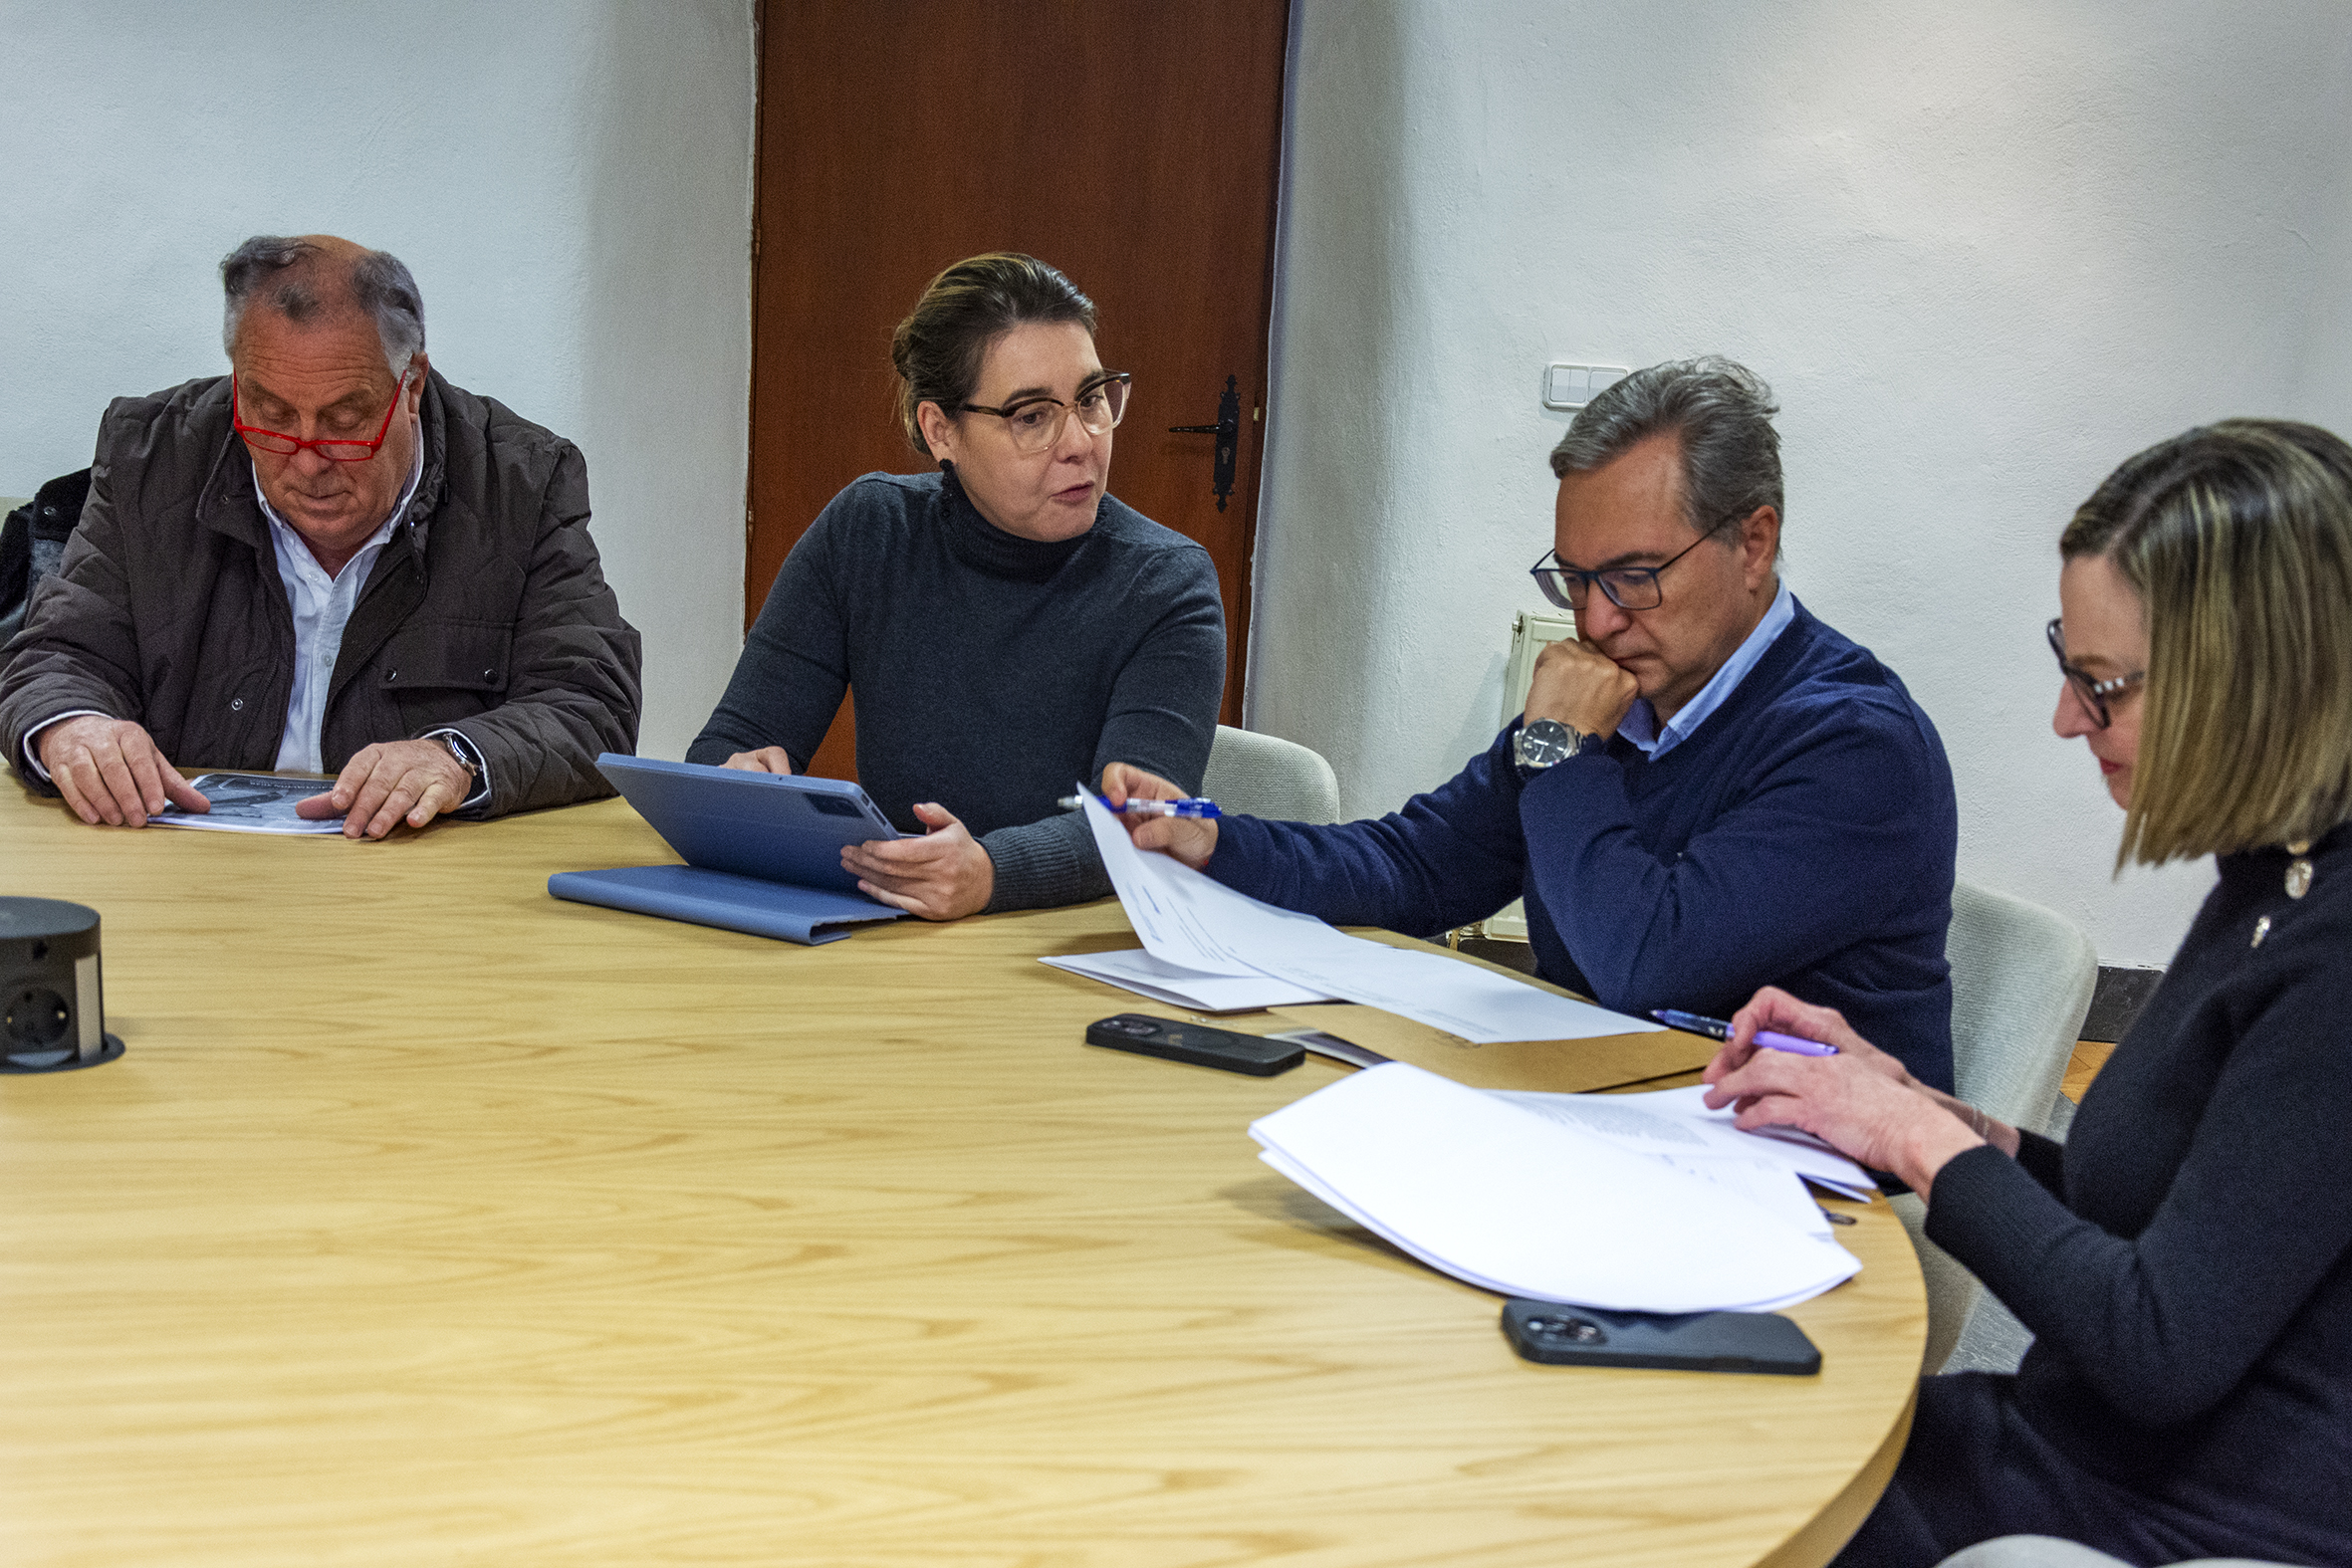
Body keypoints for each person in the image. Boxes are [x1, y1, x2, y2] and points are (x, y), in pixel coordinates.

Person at [1705, 419, 2352, 1567]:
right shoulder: (2275, 874)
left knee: (1709, 1495)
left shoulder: (2331, 947)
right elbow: (2189, 1210)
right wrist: (1938, 1118)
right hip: (2083, 1450)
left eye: (2101, 686)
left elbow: (2156, 1344)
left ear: (2253, 683)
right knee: (1709, 1420)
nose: (2065, 719)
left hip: (2178, 1511)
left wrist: (1914, 1142)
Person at [1108, 357, 1960, 1088]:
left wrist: (1564, 753)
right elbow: (1418, 864)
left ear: (1755, 543)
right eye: (1576, 579)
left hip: (1806, 1182)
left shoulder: (1857, 745)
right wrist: (1220, 841)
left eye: (1634, 576)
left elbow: (1648, 963)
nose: (1596, 620)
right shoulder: (1618, 699)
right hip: (1605, 1115)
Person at [0, 235, 642, 837]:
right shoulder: (152, 457)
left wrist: (458, 758)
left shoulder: (519, 482)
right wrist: (73, 727)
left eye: (344, 420)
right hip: (183, 868)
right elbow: (58, 655)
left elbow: (589, 704)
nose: (307, 461)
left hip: (415, 875)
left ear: (411, 385)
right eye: (272, 415)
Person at [686, 253, 1225, 920]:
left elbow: (1143, 823)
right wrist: (735, 778)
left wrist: (992, 873)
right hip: (892, 928)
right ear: (941, 430)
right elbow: (731, 741)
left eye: (1091, 400)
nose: (1081, 442)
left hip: (1067, 944)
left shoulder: (1167, 584)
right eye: (1032, 416)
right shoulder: (870, 531)